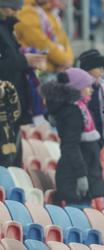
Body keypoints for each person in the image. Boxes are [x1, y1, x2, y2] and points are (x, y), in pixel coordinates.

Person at [41, 68, 104, 207]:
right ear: (77, 88)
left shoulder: (81, 109)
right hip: (74, 179)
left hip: (84, 175)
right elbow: (69, 146)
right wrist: (81, 175)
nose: (90, 90)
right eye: (87, 87)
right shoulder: (73, 112)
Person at [0, 0, 45, 166]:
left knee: (13, 163)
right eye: (11, 8)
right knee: (5, 163)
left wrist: (27, 61)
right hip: (3, 112)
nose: (15, 13)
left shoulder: (8, 30)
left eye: (17, 9)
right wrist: (23, 60)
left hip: (11, 111)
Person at [15, 0, 73, 72]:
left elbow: (64, 40)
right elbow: (41, 44)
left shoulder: (46, 11)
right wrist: (65, 60)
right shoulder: (26, 11)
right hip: (36, 71)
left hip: (53, 67)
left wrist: (68, 59)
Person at [0, 81, 20, 167]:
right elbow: (16, 113)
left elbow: (16, 113)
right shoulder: (8, 86)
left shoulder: (8, 87)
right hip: (6, 132)